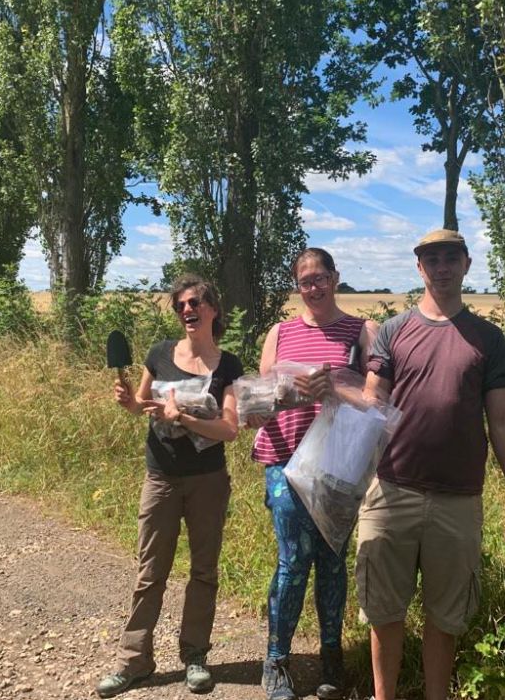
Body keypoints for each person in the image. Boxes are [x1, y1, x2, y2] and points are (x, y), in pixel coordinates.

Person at [357, 229, 505, 700]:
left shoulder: (488, 340)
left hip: (458, 500)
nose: (441, 267)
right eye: (431, 259)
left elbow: (502, 423)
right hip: (391, 492)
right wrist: (334, 398)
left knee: (445, 616)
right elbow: (374, 405)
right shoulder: (394, 331)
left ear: (466, 265)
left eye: (450, 258)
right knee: (384, 611)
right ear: (419, 269)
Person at [96, 274, 243, 698]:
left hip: (208, 481)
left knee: (203, 570)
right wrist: (131, 404)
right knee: (150, 571)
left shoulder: (228, 364)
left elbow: (230, 429)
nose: (186, 310)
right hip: (160, 476)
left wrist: (184, 417)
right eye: (180, 305)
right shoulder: (160, 354)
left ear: (212, 308)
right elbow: (142, 405)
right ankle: (133, 661)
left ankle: (195, 656)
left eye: (194, 302)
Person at [248, 248, 378, 700]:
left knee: (331, 562)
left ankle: (330, 659)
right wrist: (286, 393)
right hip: (284, 459)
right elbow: (258, 399)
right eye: (305, 280)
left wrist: (337, 387)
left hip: (339, 464)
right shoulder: (279, 333)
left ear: (335, 278)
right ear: (297, 286)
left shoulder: (363, 331)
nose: (314, 286)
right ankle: (276, 660)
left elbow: (382, 397)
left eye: (321, 277)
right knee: (292, 559)